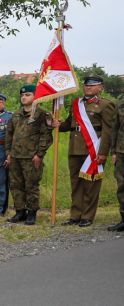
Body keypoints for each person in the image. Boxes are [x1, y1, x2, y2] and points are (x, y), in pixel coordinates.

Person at [56, 74, 117, 227]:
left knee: (91, 184)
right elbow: (70, 124)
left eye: (93, 85)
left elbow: (108, 130)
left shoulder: (106, 104)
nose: (88, 87)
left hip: (94, 150)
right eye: (86, 85)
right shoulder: (77, 103)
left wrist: (103, 152)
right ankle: (75, 216)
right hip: (75, 149)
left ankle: (87, 216)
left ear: (100, 87)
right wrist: (57, 124)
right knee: (76, 184)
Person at [4, 85, 54, 225]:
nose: (24, 97)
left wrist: (39, 154)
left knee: (31, 186)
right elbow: (9, 134)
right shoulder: (17, 114)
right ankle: (20, 212)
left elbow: (46, 136)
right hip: (15, 157)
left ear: (35, 97)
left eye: (28, 95)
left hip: (31, 158)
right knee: (15, 185)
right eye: (22, 95)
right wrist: (8, 153)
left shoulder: (42, 114)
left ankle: (32, 213)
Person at [108, 95, 124, 231]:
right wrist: (113, 151)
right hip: (121, 151)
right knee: (122, 185)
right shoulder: (120, 104)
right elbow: (114, 129)